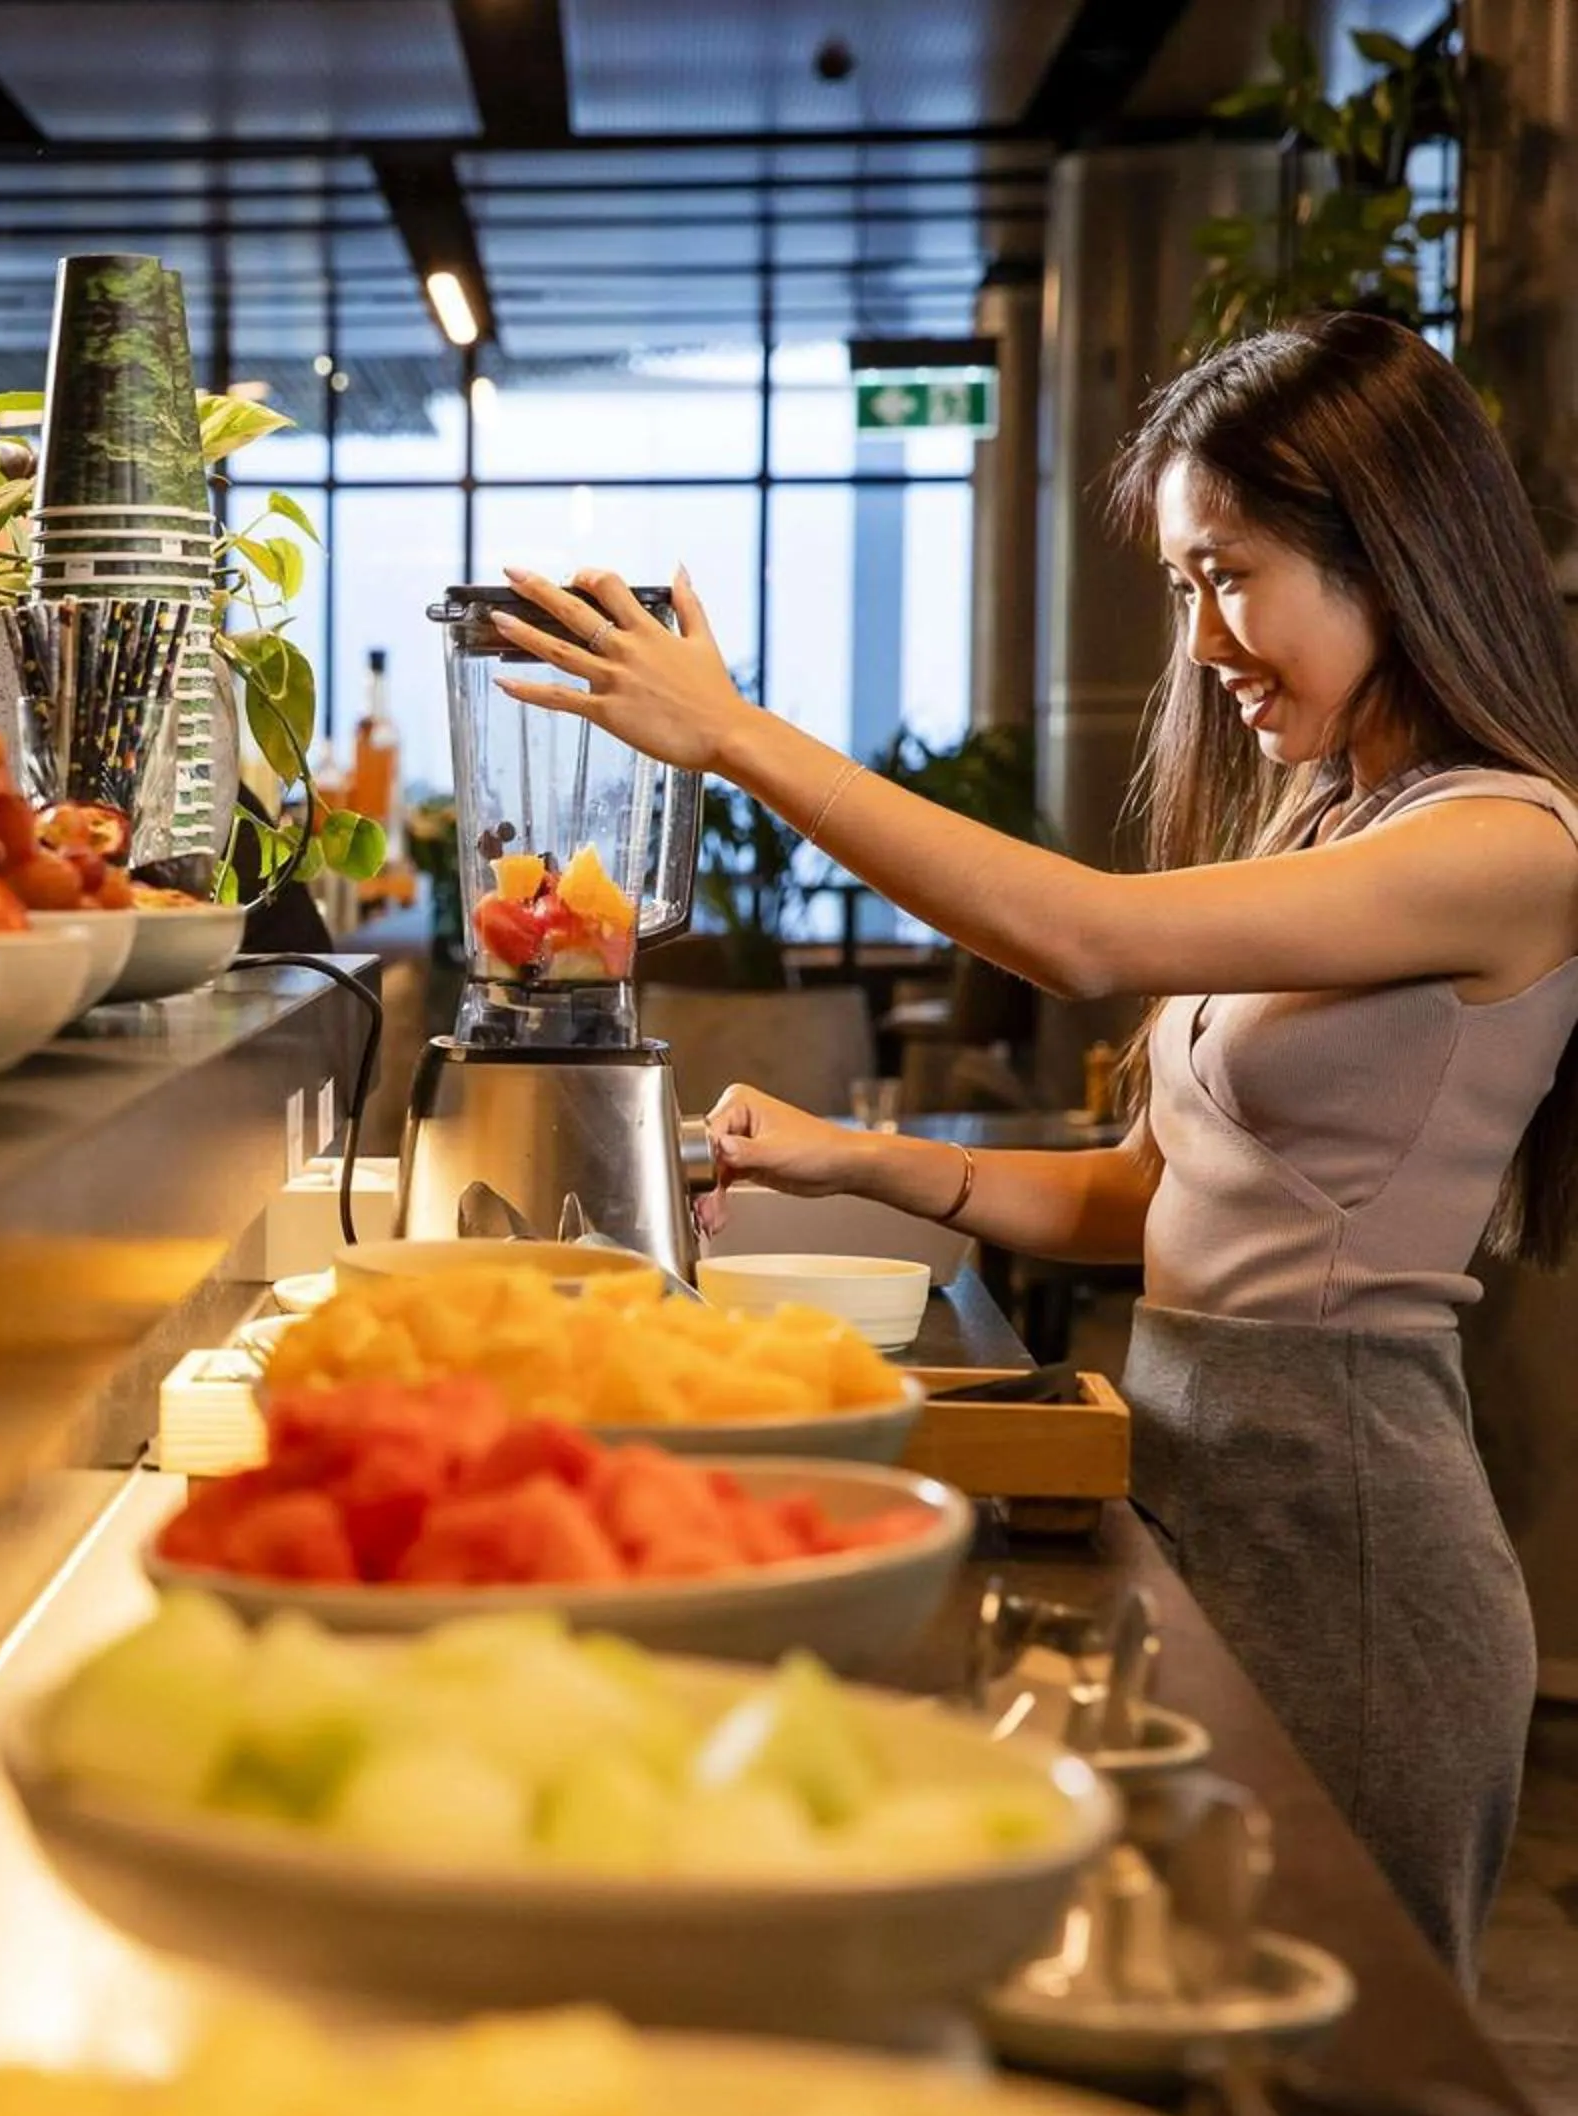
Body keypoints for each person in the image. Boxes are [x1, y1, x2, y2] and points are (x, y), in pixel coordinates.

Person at [494, 312, 1578, 1983]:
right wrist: (851, 1157)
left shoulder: (1509, 842)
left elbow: (1080, 935)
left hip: (1349, 1518)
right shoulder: (1329, 818)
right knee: (1183, 1988)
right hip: (1197, 1457)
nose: (1205, 631)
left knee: (1341, 2038)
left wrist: (740, 736)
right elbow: (1153, 1196)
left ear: (1394, 552)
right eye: (1181, 582)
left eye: (1232, 571)